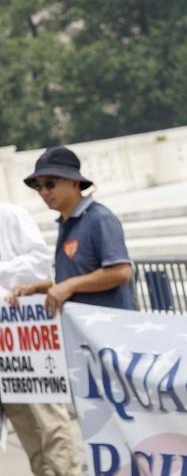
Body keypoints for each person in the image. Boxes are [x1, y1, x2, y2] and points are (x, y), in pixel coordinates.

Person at [0, 201, 83, 476]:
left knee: (49, 416)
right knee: (22, 420)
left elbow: (38, 262)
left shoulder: (11, 215)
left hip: (24, 329)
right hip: (7, 341)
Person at [12, 145, 134, 313]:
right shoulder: (66, 223)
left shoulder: (99, 218)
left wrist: (69, 285)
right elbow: (69, 282)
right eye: (38, 187)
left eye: (50, 184)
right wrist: (34, 289)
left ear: (74, 182)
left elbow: (121, 272)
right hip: (83, 333)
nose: (44, 192)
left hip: (109, 331)